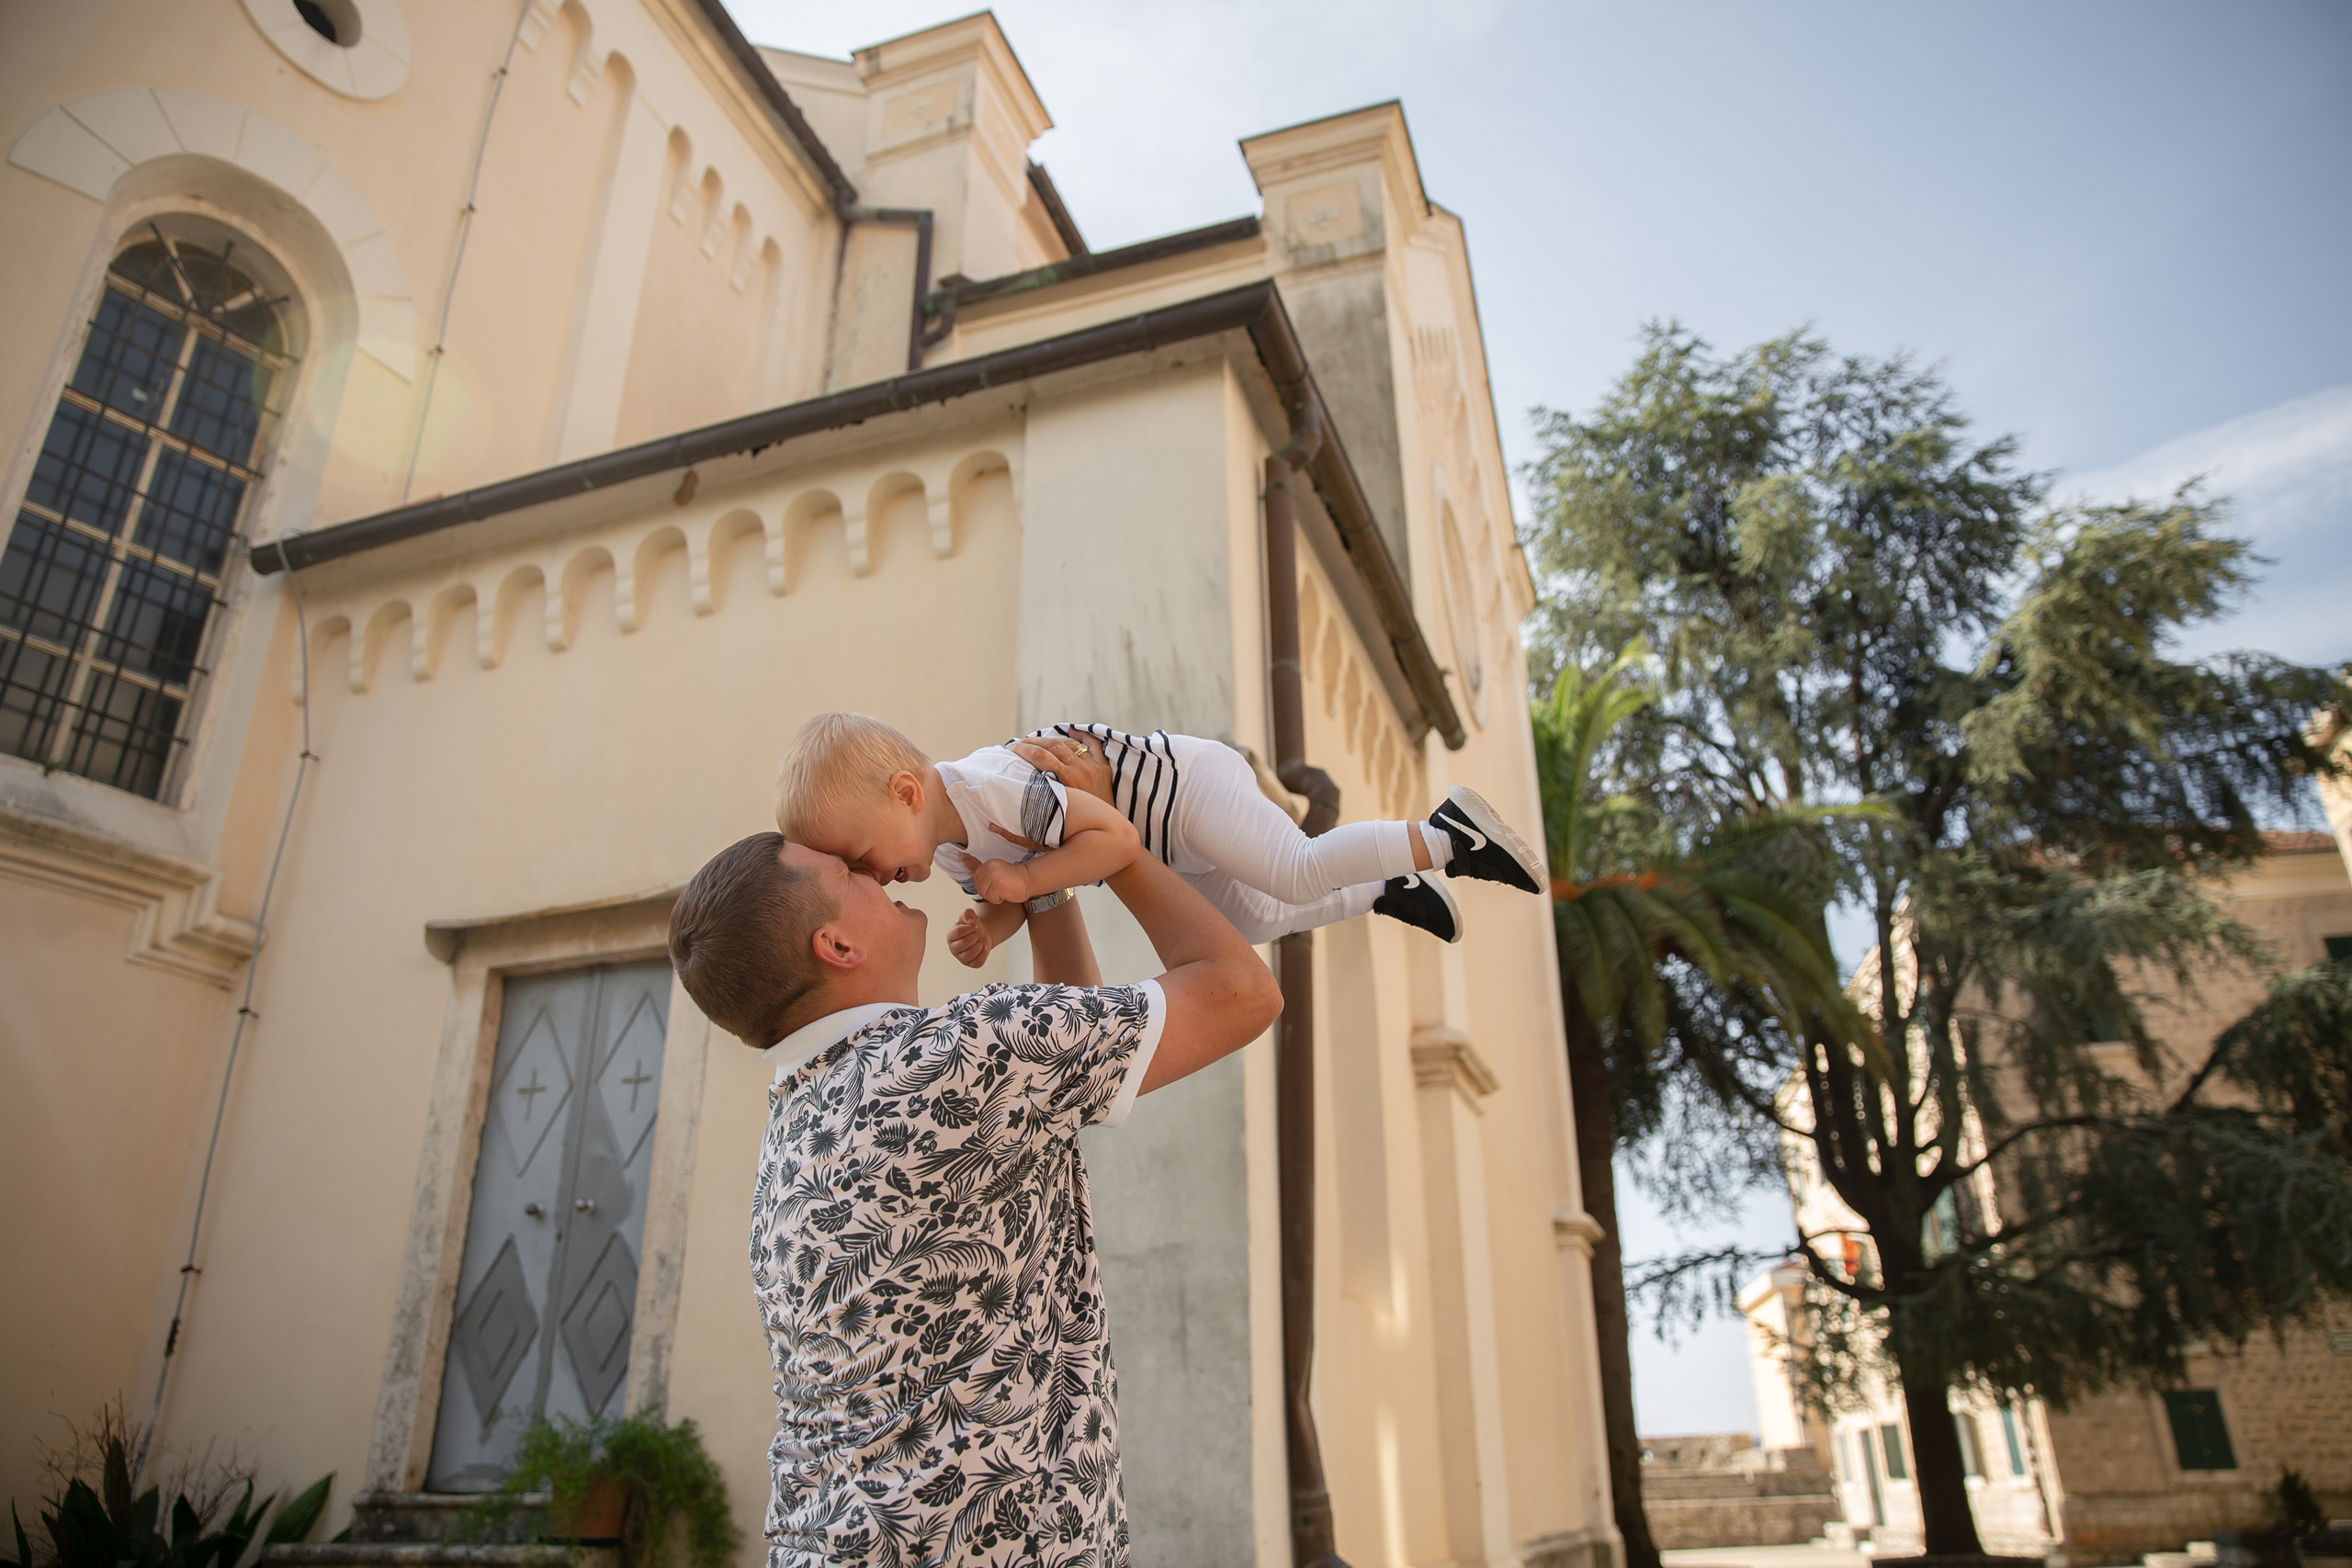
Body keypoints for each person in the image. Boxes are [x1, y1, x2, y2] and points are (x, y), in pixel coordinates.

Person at [667, 734, 1283, 1568]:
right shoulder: (959, 1055)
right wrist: (1114, 846)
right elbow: (1242, 991)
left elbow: (1072, 1048)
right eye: (850, 873)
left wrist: (1044, 872)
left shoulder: (795, 1124)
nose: (876, 870)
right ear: (836, 946)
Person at [773, 712, 1546, 962]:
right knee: (1246, 924)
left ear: (905, 794)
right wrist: (991, 925)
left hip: (1187, 788)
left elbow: (1106, 843)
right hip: (1169, 839)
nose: (871, 877)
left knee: (1297, 869)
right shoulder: (943, 846)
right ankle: (1389, 887)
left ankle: (1447, 833)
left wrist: (1027, 886)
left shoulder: (996, 792)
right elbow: (1008, 889)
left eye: (859, 857)